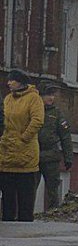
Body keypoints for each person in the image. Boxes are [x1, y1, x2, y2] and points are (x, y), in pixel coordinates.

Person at [0, 69, 44, 221]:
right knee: (7, 195)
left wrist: (24, 138)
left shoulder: (33, 98)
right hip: (6, 153)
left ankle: (25, 226)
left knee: (25, 195)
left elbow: (37, 120)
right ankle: (8, 220)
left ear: (20, 82)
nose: (8, 83)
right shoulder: (7, 99)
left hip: (25, 154)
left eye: (12, 80)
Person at [36, 82, 73, 210]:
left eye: (52, 95)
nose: (51, 98)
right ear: (40, 96)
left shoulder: (57, 114)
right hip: (33, 156)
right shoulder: (33, 110)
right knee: (29, 189)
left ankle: (52, 215)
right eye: (48, 95)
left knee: (53, 189)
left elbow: (65, 137)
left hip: (51, 156)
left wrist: (68, 157)